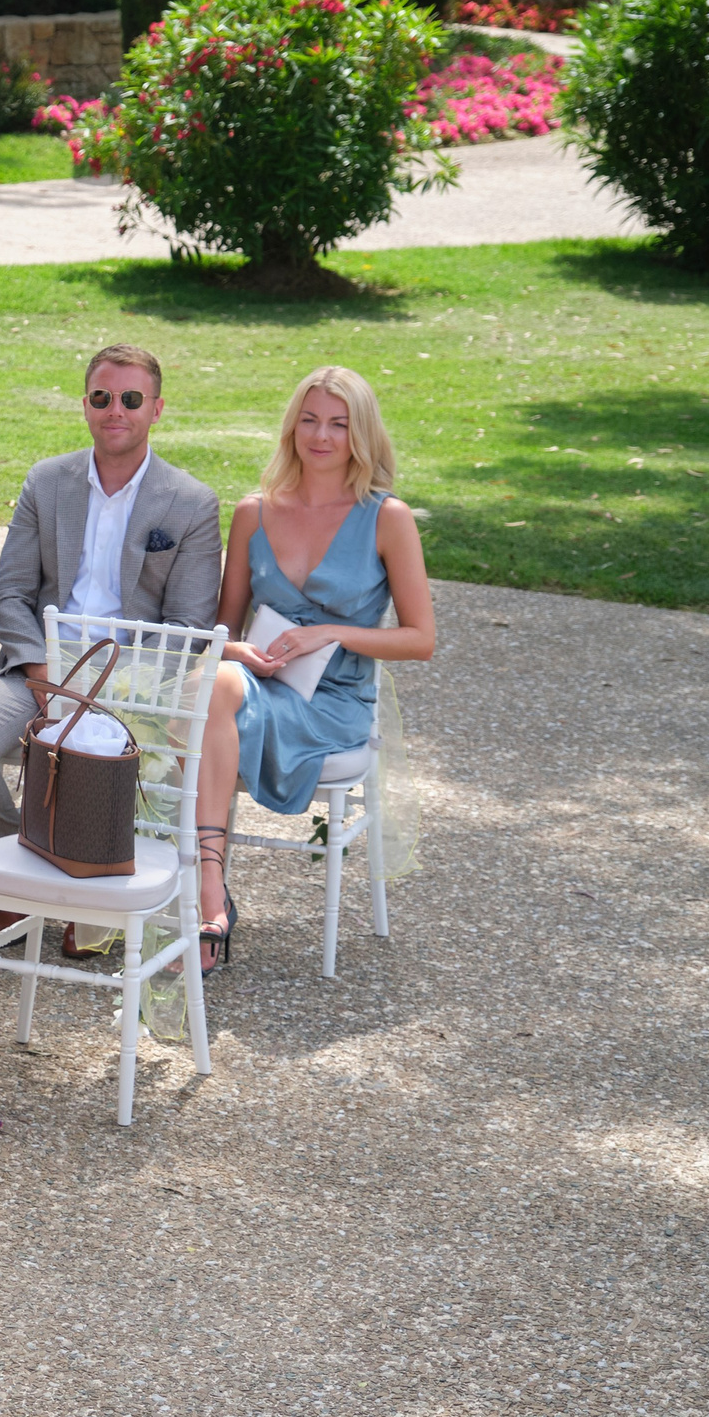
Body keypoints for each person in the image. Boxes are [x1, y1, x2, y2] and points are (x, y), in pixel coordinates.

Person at [194, 367, 435, 973]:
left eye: (338, 423)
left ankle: (200, 895)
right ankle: (209, 891)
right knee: (211, 686)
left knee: (199, 715)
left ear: (361, 433)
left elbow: (421, 640)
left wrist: (332, 631)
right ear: (291, 426)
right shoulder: (253, 512)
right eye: (309, 419)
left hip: (335, 703)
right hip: (257, 683)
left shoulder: (387, 518)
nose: (320, 436)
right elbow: (221, 634)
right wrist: (243, 652)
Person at [0, 343, 223, 838]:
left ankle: (85, 882)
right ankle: (22, 852)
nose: (115, 410)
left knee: (104, 776)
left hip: (131, 685)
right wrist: (43, 672)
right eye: (101, 397)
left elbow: (188, 626)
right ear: (85, 404)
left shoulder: (192, 503)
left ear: (157, 409)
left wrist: (108, 689)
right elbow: (13, 594)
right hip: (36, 673)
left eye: (131, 399)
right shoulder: (47, 482)